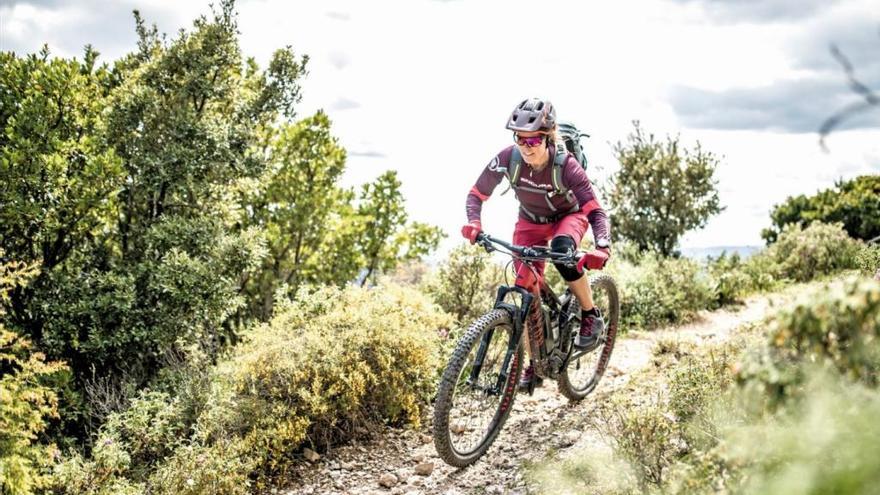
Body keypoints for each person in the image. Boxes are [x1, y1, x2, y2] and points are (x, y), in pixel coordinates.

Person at [461, 97, 612, 390]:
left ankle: (590, 314)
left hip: (568, 216)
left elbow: (594, 209)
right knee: (526, 287)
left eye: (533, 141)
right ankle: (535, 363)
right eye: (520, 139)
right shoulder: (508, 158)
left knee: (561, 254)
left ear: (548, 138)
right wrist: (474, 223)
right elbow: (475, 195)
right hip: (529, 220)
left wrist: (602, 245)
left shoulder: (566, 165)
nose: (526, 147)